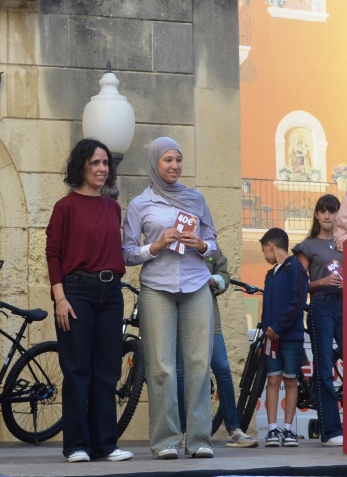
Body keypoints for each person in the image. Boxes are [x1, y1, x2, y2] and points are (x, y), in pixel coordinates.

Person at [123, 136, 217, 460]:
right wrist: (157, 245)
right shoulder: (140, 204)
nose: (175, 166)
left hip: (196, 285)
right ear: (154, 163)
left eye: (178, 159)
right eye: (168, 160)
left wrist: (201, 245)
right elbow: (127, 254)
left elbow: (213, 244)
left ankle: (199, 440)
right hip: (156, 288)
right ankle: (165, 441)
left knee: (199, 364)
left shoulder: (196, 199)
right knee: (161, 366)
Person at [45, 138, 133, 464]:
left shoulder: (113, 208)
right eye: (95, 162)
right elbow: (53, 254)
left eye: (105, 163)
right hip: (76, 292)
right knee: (77, 370)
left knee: (107, 371)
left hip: (111, 294)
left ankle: (105, 445)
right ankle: (77, 445)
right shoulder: (65, 207)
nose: (101, 168)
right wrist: (60, 299)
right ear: (81, 166)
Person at [176, 244, 258, 448]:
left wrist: (209, 279)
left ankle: (234, 429)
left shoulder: (208, 245)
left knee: (222, 369)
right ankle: (184, 431)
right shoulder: (173, 241)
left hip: (209, 318)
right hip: (179, 317)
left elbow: (224, 276)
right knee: (180, 373)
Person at [292, 194, 344, 447]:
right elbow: (298, 285)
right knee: (323, 368)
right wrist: (322, 281)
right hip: (321, 305)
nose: (327, 216)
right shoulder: (308, 246)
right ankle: (330, 431)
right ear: (316, 214)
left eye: (332, 211)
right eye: (323, 211)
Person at [259, 227, 308, 448]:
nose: (265, 256)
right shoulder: (270, 275)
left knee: (290, 380)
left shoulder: (295, 268)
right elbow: (266, 309)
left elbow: (298, 302)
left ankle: (288, 429)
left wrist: (278, 326)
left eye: (264, 250)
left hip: (291, 336)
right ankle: (272, 429)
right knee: (272, 380)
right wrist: (265, 333)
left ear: (270, 245)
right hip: (271, 337)